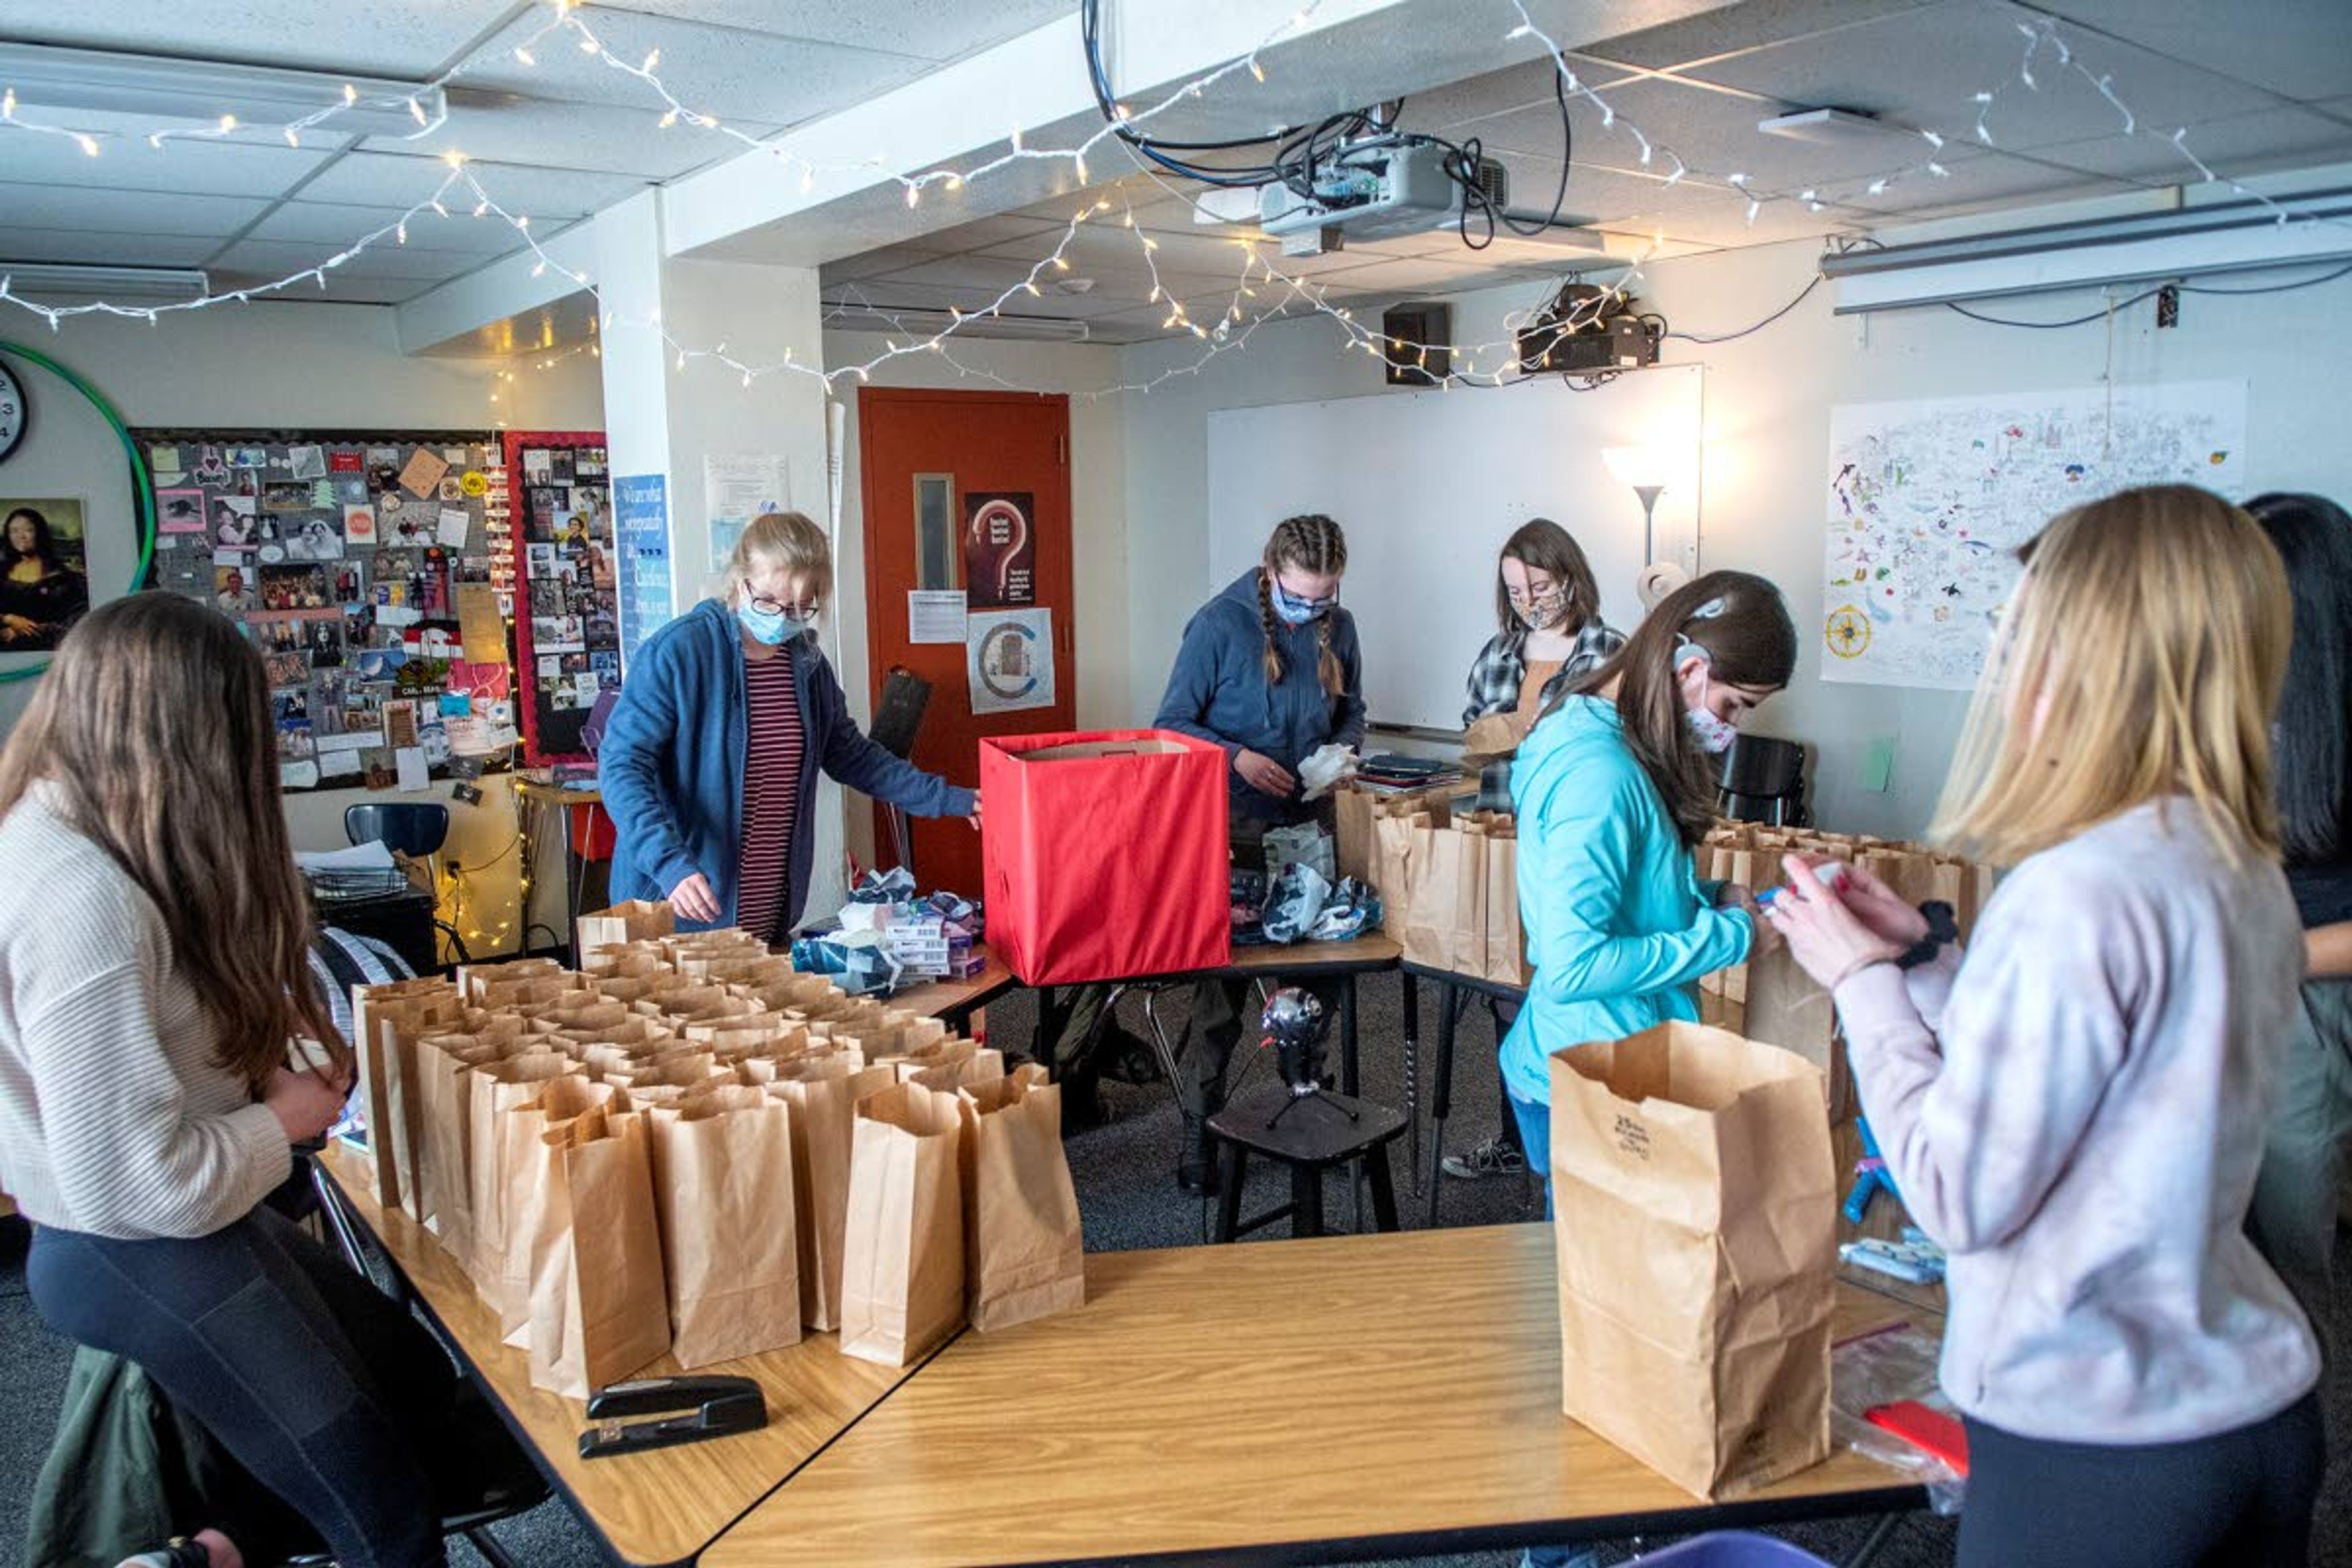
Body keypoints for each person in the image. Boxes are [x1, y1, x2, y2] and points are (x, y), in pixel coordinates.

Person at [1765, 486, 2321, 1568]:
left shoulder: (2074, 890)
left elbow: (1960, 1192)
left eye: (2016, 637)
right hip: (2251, 1403)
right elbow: (2111, 1076)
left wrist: (1860, 985)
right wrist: (1928, 963)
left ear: (2093, 663)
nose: (2000, 670)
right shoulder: (2234, 862)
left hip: (2105, 1443)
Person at [0, 592, 475, 1568]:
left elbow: (148, 1038)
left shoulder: (87, 831)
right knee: (386, 1515)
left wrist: (255, 1057)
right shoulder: (78, 893)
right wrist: (283, 1121)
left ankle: (201, 1556)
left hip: (175, 1227)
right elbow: (130, 1184)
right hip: (133, 1243)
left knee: (416, 1387)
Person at [601, 510, 978, 943]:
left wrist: (952, 799)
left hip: (765, 909)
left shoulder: (805, 663)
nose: (783, 618)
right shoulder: (680, 652)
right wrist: (669, 863)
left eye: (802, 606)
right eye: (768, 602)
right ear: (740, 582)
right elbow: (622, 768)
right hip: (675, 905)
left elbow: (853, 756)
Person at [1149, 513, 1365, 1191]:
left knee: (1317, 977)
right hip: (1234, 830)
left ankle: (1303, 1100)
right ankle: (1198, 1126)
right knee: (1224, 995)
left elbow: (1353, 707)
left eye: (1323, 597)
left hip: (1310, 824)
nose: (1309, 610)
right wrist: (1235, 757)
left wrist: (1344, 752)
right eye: (1298, 596)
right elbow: (1169, 726)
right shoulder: (1218, 624)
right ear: (1270, 573)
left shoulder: (1340, 624)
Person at [1445, 518, 1624, 1185]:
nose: (1526, 599)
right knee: (1507, 991)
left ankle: (1586, 1144)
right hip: (1506, 839)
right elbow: (1473, 734)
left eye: (1537, 585)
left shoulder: (1611, 651)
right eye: (1513, 587)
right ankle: (1517, 1136)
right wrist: (1500, 735)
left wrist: (1538, 734)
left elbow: (1626, 746)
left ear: (1569, 576)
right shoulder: (1498, 652)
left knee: (1572, 988)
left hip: (1575, 843)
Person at [2243, 491, 2352, 1378]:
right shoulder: (2234, 696)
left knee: (2282, 1253)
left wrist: (2264, 963)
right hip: (2224, 977)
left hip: (2305, 996)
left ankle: (2292, 1445)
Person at [0, 505, 90, 651]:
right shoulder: (1, 572)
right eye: (14, 531)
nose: (21, 536)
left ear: (40, 533)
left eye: (28, 530)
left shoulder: (64, 577)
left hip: (46, 652)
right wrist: (8, 619)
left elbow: (77, 620)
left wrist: (20, 632)